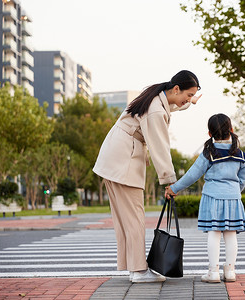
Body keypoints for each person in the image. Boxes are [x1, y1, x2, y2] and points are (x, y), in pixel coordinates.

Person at [93, 70, 201, 283]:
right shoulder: (155, 111)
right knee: (134, 217)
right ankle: (139, 271)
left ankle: (134, 268)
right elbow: (159, 146)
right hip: (124, 160)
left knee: (126, 219)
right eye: (187, 95)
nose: (187, 100)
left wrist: (190, 102)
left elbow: (173, 105)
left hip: (114, 157)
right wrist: (171, 181)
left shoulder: (156, 96)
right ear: (176, 89)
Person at [165, 113, 245, 283]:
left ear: (209, 134)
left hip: (212, 197)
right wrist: (233, 191)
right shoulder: (239, 154)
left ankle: (213, 272)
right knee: (231, 234)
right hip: (233, 198)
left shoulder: (208, 153)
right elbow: (243, 178)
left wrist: (174, 188)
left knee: (214, 233)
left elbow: (192, 175)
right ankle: (230, 271)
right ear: (231, 130)